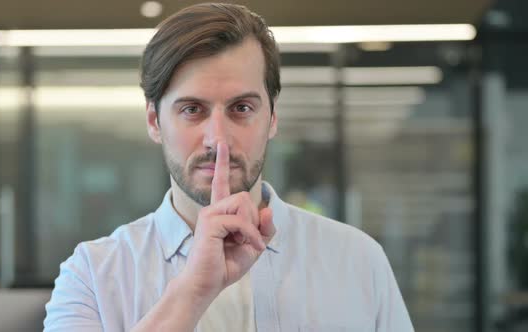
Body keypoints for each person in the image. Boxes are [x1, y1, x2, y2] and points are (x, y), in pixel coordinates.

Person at [44, 3, 414, 331]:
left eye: (241, 108)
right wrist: (192, 292)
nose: (217, 139)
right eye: (192, 110)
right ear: (155, 122)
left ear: (271, 119)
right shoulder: (92, 274)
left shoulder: (357, 260)